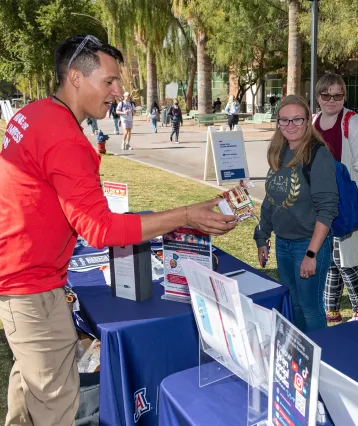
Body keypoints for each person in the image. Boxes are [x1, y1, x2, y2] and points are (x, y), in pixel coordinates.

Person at [0, 34, 237, 426]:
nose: (118, 91)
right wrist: (186, 215)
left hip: (20, 272)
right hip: (30, 285)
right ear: (75, 77)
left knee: (28, 389)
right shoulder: (64, 137)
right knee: (54, 404)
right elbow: (100, 228)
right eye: (109, 81)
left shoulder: (36, 113)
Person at [254, 95, 338, 332]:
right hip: (283, 244)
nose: (291, 125)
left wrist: (311, 254)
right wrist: (263, 236)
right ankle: (302, 355)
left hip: (309, 244)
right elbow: (271, 200)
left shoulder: (317, 155)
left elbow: (327, 210)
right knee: (295, 304)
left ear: (307, 122)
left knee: (310, 307)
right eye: (285, 120)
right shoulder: (278, 152)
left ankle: (321, 359)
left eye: (297, 120)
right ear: (278, 123)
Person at [312, 73, 358, 323]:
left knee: (344, 260)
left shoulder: (355, 123)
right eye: (326, 94)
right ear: (318, 97)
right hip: (322, 204)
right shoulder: (314, 121)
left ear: (345, 96)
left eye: (338, 95)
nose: (331, 100)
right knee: (328, 260)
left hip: (348, 204)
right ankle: (332, 310)